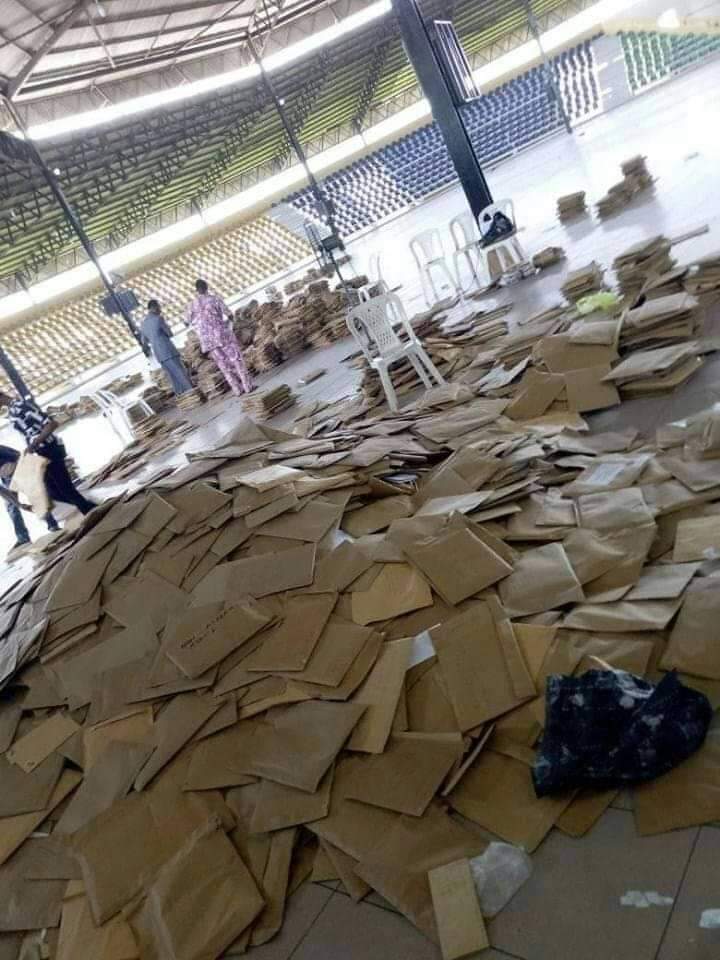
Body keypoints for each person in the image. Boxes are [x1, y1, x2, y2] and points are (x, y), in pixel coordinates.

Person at [0, 391, 95, 524]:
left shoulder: (22, 406)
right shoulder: (12, 412)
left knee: (65, 489)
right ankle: (91, 508)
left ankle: (91, 512)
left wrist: (33, 445)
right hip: (40, 452)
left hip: (49, 449)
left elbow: (51, 424)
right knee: (54, 491)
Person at [186, 278, 254, 397]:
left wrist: (200, 325)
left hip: (208, 341)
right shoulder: (214, 299)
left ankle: (237, 390)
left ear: (196, 290)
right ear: (206, 287)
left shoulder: (191, 305)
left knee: (223, 365)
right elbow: (229, 315)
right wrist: (229, 324)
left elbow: (186, 322)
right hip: (221, 335)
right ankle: (248, 386)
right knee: (236, 359)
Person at [0, 445, 58, 547]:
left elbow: (19, 456)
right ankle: (23, 538)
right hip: (6, 476)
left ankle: (52, 525)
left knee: (35, 498)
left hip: (19, 469)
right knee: (11, 507)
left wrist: (16, 470)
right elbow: (2, 491)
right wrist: (19, 504)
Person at [140, 299, 193, 395]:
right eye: (159, 307)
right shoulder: (158, 319)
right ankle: (192, 392)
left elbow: (144, 342)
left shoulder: (143, 324)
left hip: (158, 354)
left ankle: (181, 395)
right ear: (154, 307)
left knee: (172, 376)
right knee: (180, 372)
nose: (160, 309)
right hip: (167, 350)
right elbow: (169, 333)